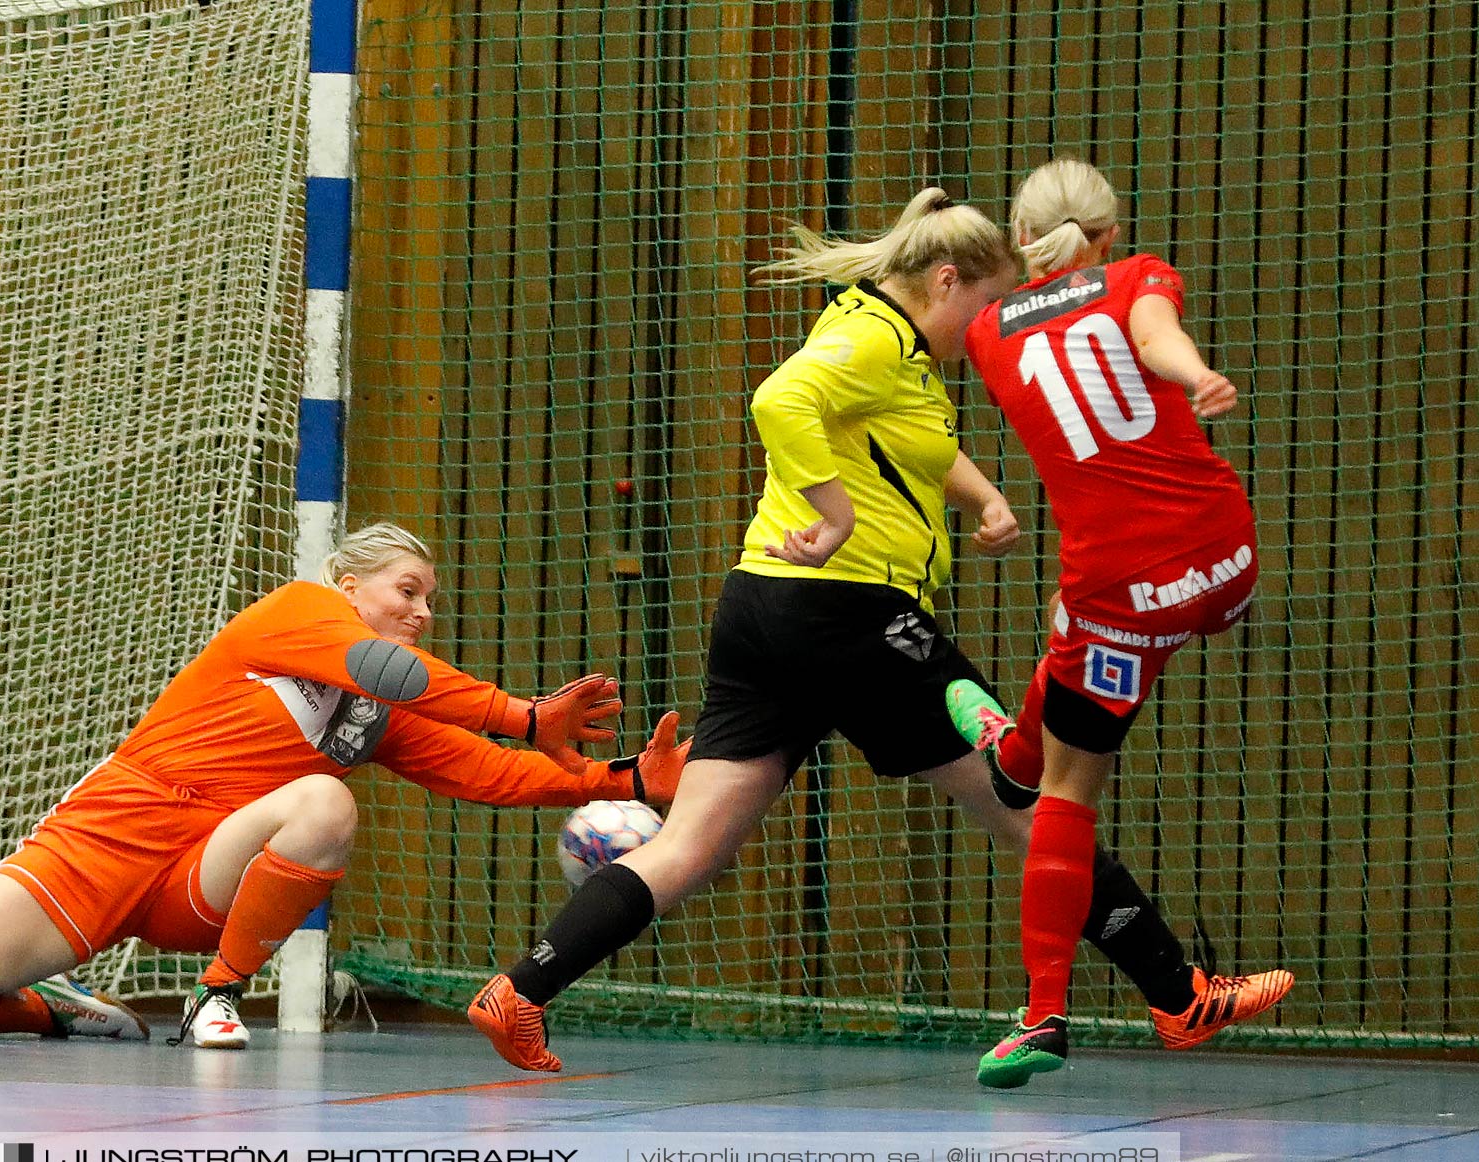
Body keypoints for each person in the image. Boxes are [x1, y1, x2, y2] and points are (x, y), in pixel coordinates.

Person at [466, 189, 1246, 1074]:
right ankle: (1179, 994)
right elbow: (778, 398)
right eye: (983, 305)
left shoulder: (884, 337)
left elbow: (900, 437)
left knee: (687, 846)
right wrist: (833, 515)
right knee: (1035, 796)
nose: (987, 326)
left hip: (764, 608)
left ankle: (522, 991)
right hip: (851, 613)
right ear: (946, 279)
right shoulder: (872, 336)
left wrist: (984, 496)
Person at [0, 522, 687, 1049]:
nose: (419, 612)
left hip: (206, 872)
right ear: (347, 586)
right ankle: (67, 1013)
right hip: (116, 831)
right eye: (405, 591)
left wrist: (623, 780)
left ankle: (215, 996)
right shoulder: (299, 611)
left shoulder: (380, 709)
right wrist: (522, 713)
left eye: (429, 602)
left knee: (324, 802)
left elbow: (483, 771)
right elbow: (395, 671)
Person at [954, 158, 1293, 1088]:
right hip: (1224, 565)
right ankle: (1014, 748)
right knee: (1075, 646)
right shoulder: (1138, 273)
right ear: (1107, 234)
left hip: (1119, 592)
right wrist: (1200, 374)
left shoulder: (987, 333)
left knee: (1066, 786)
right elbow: (1152, 336)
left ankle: (1041, 1015)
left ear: (1022, 247)